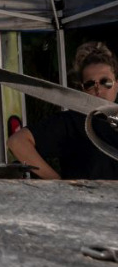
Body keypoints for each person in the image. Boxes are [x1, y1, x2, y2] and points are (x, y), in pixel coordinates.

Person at [7, 41, 118, 180]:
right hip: (85, 200)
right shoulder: (71, 122)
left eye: (105, 82)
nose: (98, 89)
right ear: (83, 89)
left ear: (116, 85)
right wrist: (58, 183)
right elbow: (17, 142)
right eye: (90, 84)